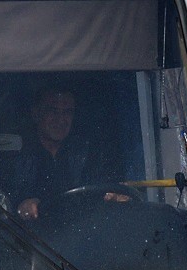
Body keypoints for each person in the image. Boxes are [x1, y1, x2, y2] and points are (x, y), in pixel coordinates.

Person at [14, 86, 123, 220]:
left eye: (67, 112)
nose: (61, 120)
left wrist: (114, 196)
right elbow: (3, 201)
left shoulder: (87, 153)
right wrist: (22, 205)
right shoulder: (17, 156)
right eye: (53, 111)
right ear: (36, 114)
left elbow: (103, 189)